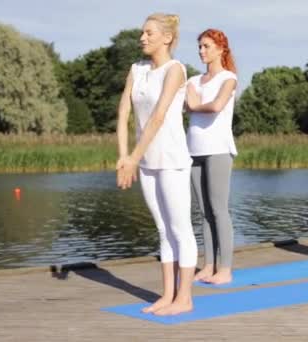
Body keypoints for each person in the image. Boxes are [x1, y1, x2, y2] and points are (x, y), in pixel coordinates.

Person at [116, 13, 197, 315]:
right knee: (163, 230)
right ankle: (167, 295)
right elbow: (124, 110)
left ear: (167, 37)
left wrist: (133, 158)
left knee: (180, 229)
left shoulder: (176, 69)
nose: (142, 38)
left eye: (149, 33)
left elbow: (159, 116)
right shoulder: (136, 69)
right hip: (146, 159)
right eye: (142, 33)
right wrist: (125, 157)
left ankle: (185, 298)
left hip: (172, 159)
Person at [186, 29, 237, 285]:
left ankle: (225, 269)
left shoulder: (229, 78)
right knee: (204, 211)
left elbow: (217, 106)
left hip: (218, 149)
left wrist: (195, 106)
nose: (201, 51)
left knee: (219, 210)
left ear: (220, 48)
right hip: (193, 150)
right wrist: (194, 105)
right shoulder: (193, 81)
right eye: (199, 47)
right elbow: (187, 104)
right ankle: (208, 265)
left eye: (206, 46)